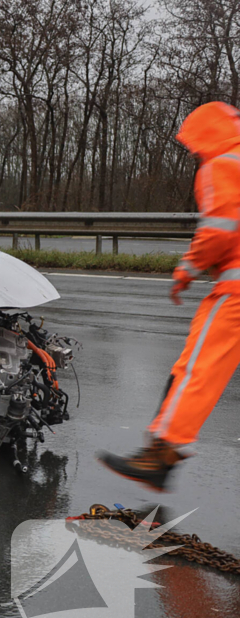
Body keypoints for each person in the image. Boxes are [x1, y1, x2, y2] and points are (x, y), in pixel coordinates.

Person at [98, 101, 240, 492]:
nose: (194, 152)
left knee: (196, 371)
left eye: (194, 144)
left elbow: (220, 230)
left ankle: (160, 456)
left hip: (235, 292)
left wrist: (187, 270)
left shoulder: (222, 165)